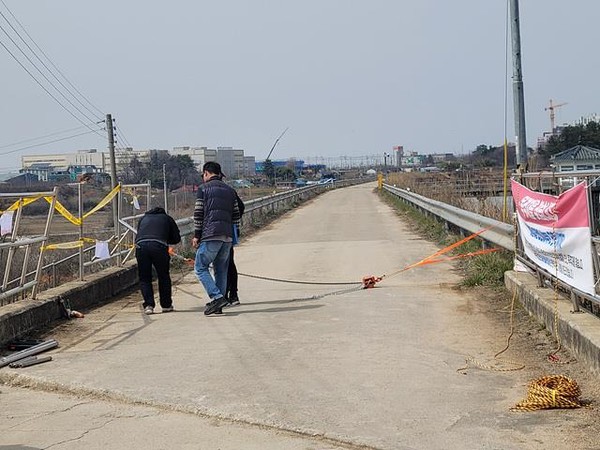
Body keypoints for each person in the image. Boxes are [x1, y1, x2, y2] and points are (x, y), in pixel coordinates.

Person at [193, 162, 240, 316]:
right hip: (227, 236)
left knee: (200, 267)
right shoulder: (230, 190)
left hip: (210, 234)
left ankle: (217, 297)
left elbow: (199, 214)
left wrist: (196, 235)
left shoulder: (203, 189)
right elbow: (236, 215)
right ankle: (218, 305)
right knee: (221, 270)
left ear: (206, 173)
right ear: (219, 174)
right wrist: (234, 234)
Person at [135, 206, 181, 315]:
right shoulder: (167, 218)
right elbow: (176, 238)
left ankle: (149, 306)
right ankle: (166, 305)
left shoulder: (143, 218)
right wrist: (165, 238)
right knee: (163, 275)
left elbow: (139, 233)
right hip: (159, 247)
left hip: (141, 246)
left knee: (145, 277)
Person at [224, 192, 245, 307]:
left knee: (222, 265)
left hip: (214, 233)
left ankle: (223, 295)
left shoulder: (207, 190)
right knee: (229, 263)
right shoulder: (229, 191)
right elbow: (240, 208)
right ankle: (232, 295)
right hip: (229, 232)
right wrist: (234, 226)